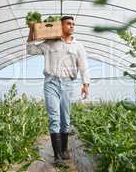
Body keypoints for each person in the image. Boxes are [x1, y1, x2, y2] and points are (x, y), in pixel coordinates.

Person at [26, 15, 90, 167]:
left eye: (73, 24)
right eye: (68, 24)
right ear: (60, 26)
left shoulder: (77, 46)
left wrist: (85, 84)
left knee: (65, 119)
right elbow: (30, 49)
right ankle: (57, 157)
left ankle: (64, 149)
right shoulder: (50, 43)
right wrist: (31, 30)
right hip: (51, 83)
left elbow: (83, 65)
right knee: (54, 118)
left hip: (68, 84)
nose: (71, 26)